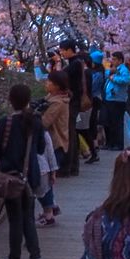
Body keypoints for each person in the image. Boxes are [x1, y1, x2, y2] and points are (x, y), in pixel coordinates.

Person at [0, 83, 45, 259]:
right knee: (28, 216)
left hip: (11, 177)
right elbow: (41, 149)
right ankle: (35, 257)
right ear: (28, 100)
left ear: (11, 100)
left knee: (15, 219)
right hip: (30, 176)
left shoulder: (7, 122)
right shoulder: (36, 121)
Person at [37, 70, 70, 224]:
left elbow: (44, 122)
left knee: (45, 177)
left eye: (49, 82)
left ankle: (49, 212)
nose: (46, 84)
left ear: (56, 86)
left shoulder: (57, 103)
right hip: (55, 144)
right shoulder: (53, 99)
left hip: (55, 144)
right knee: (47, 177)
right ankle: (51, 207)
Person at [59, 39, 91, 176]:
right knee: (71, 133)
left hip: (73, 102)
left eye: (62, 50)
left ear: (69, 50)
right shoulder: (77, 63)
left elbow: (60, 76)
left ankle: (68, 166)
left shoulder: (75, 64)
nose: (61, 53)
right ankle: (72, 166)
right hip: (74, 101)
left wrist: (57, 64)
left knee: (69, 133)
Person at [102, 51, 130, 151]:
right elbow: (106, 75)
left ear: (120, 60)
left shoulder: (123, 69)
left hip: (118, 99)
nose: (112, 61)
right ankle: (110, 143)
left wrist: (113, 77)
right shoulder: (112, 69)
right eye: (112, 59)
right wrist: (110, 73)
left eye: (114, 59)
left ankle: (118, 144)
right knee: (109, 121)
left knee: (117, 122)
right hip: (109, 98)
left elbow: (126, 80)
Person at [84, 49, 106, 163]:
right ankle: (93, 147)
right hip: (95, 99)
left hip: (93, 100)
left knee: (89, 125)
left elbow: (91, 87)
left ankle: (92, 149)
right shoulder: (99, 72)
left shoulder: (97, 74)